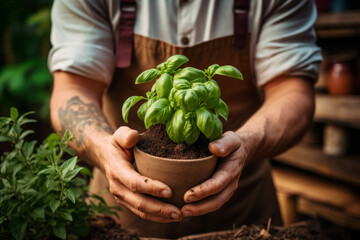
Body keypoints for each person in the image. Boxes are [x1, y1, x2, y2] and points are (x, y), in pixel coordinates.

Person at [48, 0, 322, 238]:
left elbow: (294, 92)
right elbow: (72, 89)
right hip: (123, 216)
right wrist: (103, 149)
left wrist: (246, 144)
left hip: (243, 214)